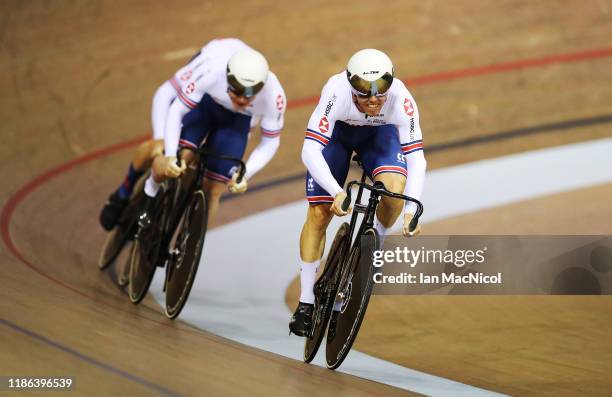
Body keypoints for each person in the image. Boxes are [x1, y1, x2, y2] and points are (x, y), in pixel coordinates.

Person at [288, 49, 427, 336]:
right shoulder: (335, 92)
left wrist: (412, 211)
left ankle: (374, 244)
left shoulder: (402, 99)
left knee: (395, 192)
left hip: (379, 137)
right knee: (319, 212)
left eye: (380, 91)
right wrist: (336, 191)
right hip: (337, 137)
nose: (374, 99)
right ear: (351, 83)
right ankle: (305, 302)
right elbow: (310, 149)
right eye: (364, 93)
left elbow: (417, 158)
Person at [99, 38, 286, 229]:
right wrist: (167, 150)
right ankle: (123, 193)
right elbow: (164, 95)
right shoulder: (210, 69)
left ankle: (189, 246)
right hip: (204, 102)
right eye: (236, 91)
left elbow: (270, 142)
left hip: (238, 122)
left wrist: (246, 173)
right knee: (165, 151)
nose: (241, 99)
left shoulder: (273, 95)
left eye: (249, 94)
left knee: (214, 187)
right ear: (227, 77)